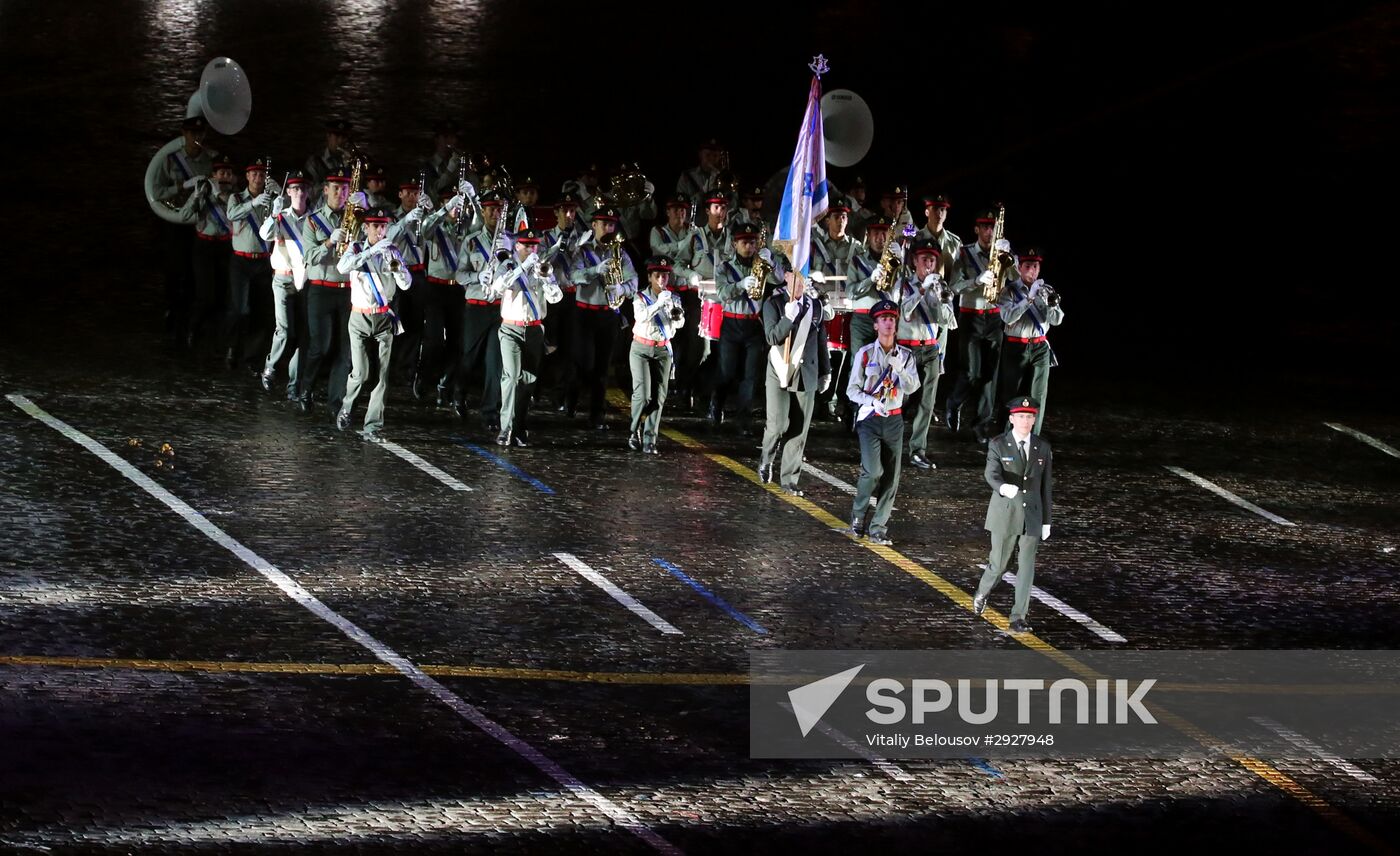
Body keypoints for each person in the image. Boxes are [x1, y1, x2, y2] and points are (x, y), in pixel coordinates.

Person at [971, 397, 1053, 634]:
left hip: (1032, 515)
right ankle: (983, 590)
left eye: (1029, 417)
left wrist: (1047, 520)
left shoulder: (1042, 447)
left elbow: (1046, 486)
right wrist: (1002, 487)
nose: (1025, 421)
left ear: (1034, 419)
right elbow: (991, 473)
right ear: (1011, 419)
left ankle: (1019, 616)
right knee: (999, 563)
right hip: (1005, 513)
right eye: (1020, 417)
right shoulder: (999, 444)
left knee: (1026, 568)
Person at [846, 300, 921, 546]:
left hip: (894, 419)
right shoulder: (866, 353)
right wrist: (870, 400)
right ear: (876, 325)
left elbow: (913, 387)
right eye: (884, 319)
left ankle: (879, 526)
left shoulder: (906, 356)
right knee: (873, 471)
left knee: (892, 476)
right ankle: (858, 515)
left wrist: (900, 369)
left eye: (892, 319)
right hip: (870, 419)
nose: (889, 323)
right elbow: (851, 390)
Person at [334, 208, 411, 435]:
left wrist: (395, 265)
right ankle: (347, 408)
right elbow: (342, 267)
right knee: (360, 372)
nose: (380, 231)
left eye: (383, 226)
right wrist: (370, 253)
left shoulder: (392, 251)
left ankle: (373, 424)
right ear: (366, 228)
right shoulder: (356, 248)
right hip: (359, 317)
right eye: (375, 226)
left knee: (382, 375)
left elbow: (406, 285)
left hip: (383, 317)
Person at [759, 270, 833, 495]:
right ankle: (766, 459)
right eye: (795, 278)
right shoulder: (774, 304)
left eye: (803, 279)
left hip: (806, 371)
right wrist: (788, 318)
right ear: (787, 278)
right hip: (780, 369)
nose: (799, 284)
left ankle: (789, 479)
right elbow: (772, 337)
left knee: (799, 430)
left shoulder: (815, 307)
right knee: (778, 424)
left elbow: (821, 340)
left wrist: (825, 371)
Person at [488, 228, 562, 447]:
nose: (531, 250)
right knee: (511, 377)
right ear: (517, 247)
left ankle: (519, 426)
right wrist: (522, 267)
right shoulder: (507, 265)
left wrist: (546, 279)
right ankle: (506, 428)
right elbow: (498, 287)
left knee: (528, 380)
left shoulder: (542, 268)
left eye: (534, 246)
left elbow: (556, 298)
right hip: (511, 329)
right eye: (527, 245)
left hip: (534, 330)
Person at [947, 207, 1016, 443]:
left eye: (993, 227)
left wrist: (1010, 259)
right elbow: (954, 287)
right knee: (970, 371)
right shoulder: (964, 253)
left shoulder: (1002, 253)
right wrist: (976, 280)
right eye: (986, 227)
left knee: (990, 376)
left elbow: (1017, 280)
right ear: (977, 229)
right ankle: (954, 403)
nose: (989, 232)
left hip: (995, 317)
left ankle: (981, 424)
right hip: (971, 315)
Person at [569, 204, 638, 429]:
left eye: (611, 224)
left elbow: (634, 282)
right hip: (584, 313)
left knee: (601, 368)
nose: (608, 228)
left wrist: (622, 290)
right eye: (604, 224)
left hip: (608, 315)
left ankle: (597, 415)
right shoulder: (583, 250)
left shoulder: (620, 252)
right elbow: (574, 276)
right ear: (594, 225)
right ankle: (572, 398)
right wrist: (595, 270)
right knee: (584, 362)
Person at [295, 165, 355, 418]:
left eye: (344, 188)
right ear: (326, 190)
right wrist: (330, 241)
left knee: (346, 350)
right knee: (320, 346)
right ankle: (306, 388)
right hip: (320, 289)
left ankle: (336, 401)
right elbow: (310, 257)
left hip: (347, 291)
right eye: (336, 188)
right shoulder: (312, 220)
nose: (340, 193)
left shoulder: (354, 219)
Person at [713, 222, 779, 435]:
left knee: (750, 376)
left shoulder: (760, 264)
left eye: (752, 243)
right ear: (735, 244)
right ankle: (717, 404)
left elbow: (779, 279)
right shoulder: (724, 267)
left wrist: (772, 262)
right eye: (744, 243)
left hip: (753, 324)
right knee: (726, 371)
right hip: (731, 323)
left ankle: (743, 420)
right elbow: (722, 294)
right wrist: (740, 285)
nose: (749, 247)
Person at [897, 237, 957, 470]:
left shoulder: (940, 287)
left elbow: (948, 322)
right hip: (906, 349)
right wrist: (922, 289)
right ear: (914, 261)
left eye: (932, 260)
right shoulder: (903, 284)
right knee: (898, 400)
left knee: (926, 403)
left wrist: (940, 298)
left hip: (931, 349)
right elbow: (904, 312)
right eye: (924, 260)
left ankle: (917, 450)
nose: (929, 265)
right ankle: (887, 444)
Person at [995, 247, 1064, 434]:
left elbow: (1057, 320)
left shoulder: (1046, 290)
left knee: (1038, 396)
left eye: (1035, 266)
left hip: (1040, 346)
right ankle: (1006, 437)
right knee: (1011, 394)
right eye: (1028, 266)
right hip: (1016, 347)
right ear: (1019, 267)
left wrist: (1049, 304)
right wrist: (1030, 298)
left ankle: (1034, 439)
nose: (1032, 270)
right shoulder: (1009, 291)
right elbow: (1008, 317)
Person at [257, 170, 311, 398]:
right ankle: (270, 366)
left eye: (303, 188)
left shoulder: (314, 218)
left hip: (305, 280)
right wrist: (273, 214)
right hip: (282, 278)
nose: (299, 192)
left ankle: (294, 383)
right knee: (285, 328)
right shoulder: (281, 216)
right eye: (295, 188)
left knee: (303, 334)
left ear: (309, 192)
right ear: (288, 192)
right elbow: (265, 234)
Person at [628, 256, 686, 454]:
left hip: (662, 350)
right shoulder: (640, 297)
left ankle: (650, 439)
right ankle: (634, 430)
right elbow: (641, 317)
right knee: (642, 395)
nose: (662, 280)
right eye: (658, 276)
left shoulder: (674, 297)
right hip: (641, 349)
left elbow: (680, 323)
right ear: (650, 277)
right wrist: (658, 304)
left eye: (665, 275)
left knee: (659, 397)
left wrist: (673, 312)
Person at [649, 194, 702, 411]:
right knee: (668, 340)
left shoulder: (694, 231)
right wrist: (685, 241)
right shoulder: (658, 232)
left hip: (689, 292)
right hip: (667, 292)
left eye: (684, 210)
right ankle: (663, 387)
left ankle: (685, 388)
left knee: (692, 343)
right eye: (676, 209)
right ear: (668, 212)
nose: (680, 213)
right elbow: (664, 254)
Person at [224, 157, 276, 373]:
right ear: (246, 176)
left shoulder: (271, 199)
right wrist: (253, 203)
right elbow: (232, 214)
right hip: (241, 260)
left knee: (261, 311)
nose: (258, 178)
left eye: (262, 174)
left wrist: (279, 195)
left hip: (262, 261)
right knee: (240, 309)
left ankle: (252, 357)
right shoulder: (236, 198)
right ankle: (231, 347)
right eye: (254, 174)